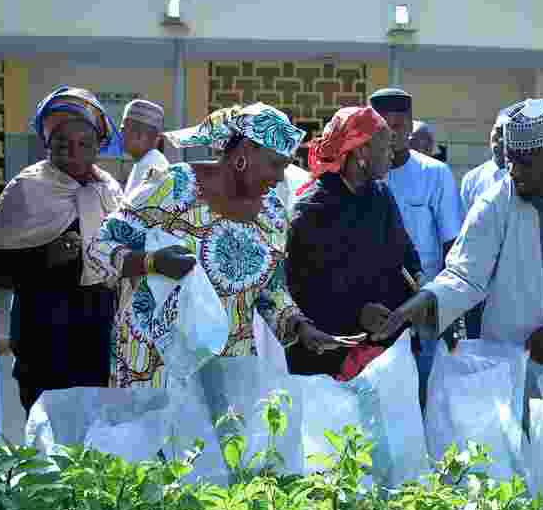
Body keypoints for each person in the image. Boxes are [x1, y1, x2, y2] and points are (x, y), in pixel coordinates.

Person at [371, 98, 543, 396]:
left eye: (525, 162)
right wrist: (420, 305)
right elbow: (464, 275)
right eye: (509, 160)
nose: (513, 171)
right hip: (512, 358)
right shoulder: (494, 203)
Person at [89, 103, 356, 388]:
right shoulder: (173, 186)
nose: (280, 176)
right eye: (275, 164)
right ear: (245, 153)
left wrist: (301, 327)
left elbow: (271, 289)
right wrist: (152, 262)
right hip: (155, 364)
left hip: (226, 370)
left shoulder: (272, 214)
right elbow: (100, 248)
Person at [0, 86, 124, 415]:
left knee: (95, 436)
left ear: (99, 145)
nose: (73, 153)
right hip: (44, 342)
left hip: (99, 339)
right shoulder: (27, 189)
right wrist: (46, 256)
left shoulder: (109, 190)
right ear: (46, 144)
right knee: (50, 436)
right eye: (61, 143)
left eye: (84, 144)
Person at [285, 106, 422, 377]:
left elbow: (404, 254)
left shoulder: (380, 195)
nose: (392, 154)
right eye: (385, 147)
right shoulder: (313, 208)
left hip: (382, 350)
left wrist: (419, 281)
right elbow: (300, 288)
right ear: (361, 152)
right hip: (327, 354)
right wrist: (356, 313)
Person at [370, 88, 464, 388]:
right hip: (374, 310)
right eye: (383, 126)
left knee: (426, 390)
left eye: (398, 126)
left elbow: (452, 247)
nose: (391, 134)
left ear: (410, 126)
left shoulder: (435, 173)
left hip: (424, 305)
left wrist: (449, 309)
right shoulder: (364, 175)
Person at [458, 111, 510, 339]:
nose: (499, 140)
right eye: (496, 133)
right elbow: (463, 231)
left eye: (506, 134)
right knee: (475, 343)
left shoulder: (525, 179)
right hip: (477, 281)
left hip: (511, 281)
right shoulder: (473, 179)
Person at [120, 98, 169, 196]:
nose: (121, 133)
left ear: (139, 135)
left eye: (124, 129)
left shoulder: (151, 167)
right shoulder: (147, 161)